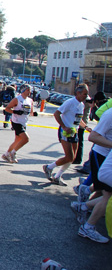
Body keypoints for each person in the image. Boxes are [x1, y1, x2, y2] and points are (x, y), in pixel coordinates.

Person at [70, 108, 112, 243]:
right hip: (101, 155)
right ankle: (88, 225)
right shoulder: (110, 114)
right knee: (107, 196)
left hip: (107, 156)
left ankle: (84, 205)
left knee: (104, 194)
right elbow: (93, 136)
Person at [43, 84, 92, 186]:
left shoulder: (81, 105)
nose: (85, 97)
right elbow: (57, 114)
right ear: (78, 93)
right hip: (65, 132)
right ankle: (49, 167)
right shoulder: (70, 102)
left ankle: (58, 176)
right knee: (69, 157)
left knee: (72, 158)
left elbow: (79, 119)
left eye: (87, 94)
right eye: (84, 94)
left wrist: (86, 127)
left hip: (74, 132)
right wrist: (64, 126)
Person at [2, 84, 33, 163]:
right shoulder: (17, 99)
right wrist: (15, 111)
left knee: (17, 140)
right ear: (23, 90)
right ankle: (13, 152)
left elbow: (31, 112)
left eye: (30, 90)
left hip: (24, 122)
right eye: (27, 90)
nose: (29, 92)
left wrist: (35, 113)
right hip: (16, 122)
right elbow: (7, 108)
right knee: (26, 139)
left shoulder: (30, 100)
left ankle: (6, 154)